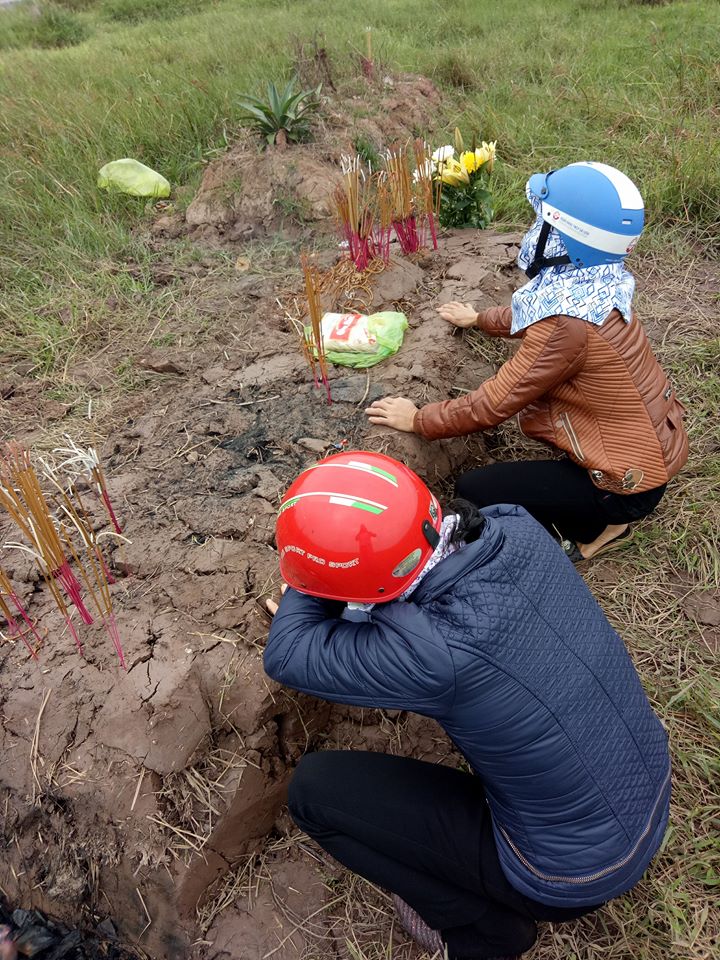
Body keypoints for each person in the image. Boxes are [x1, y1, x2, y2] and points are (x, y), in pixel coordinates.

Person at [264, 451, 671, 960]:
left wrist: (309, 578)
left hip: (573, 872)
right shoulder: (512, 525)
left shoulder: (435, 656)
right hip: (647, 786)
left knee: (314, 790)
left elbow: (287, 652)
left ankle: (483, 930)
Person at [365, 162, 688, 561]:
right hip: (652, 451)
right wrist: (479, 318)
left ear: (566, 241)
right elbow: (536, 315)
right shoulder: (598, 284)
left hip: (625, 486)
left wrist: (418, 420)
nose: (533, 233)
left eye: (543, 225)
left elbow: (492, 404)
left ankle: (599, 526)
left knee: (475, 490)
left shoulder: (566, 326)